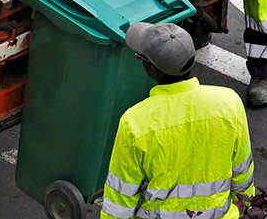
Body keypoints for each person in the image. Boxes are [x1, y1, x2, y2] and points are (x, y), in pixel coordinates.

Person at [100, 22, 255, 219]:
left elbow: (119, 201)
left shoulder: (135, 123)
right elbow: (243, 174)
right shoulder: (229, 103)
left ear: (151, 69)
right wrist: (248, 211)